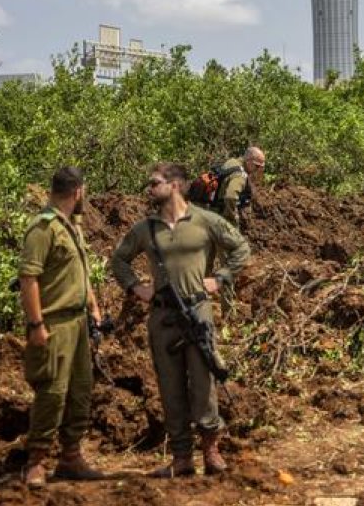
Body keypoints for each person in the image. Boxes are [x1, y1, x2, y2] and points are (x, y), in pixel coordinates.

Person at [111, 163, 251, 478]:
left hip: (197, 311)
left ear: (174, 185)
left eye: (154, 183)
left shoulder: (204, 220)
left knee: (203, 383)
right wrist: (136, 287)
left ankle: (211, 450)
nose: (149, 189)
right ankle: (181, 456)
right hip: (163, 316)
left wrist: (221, 278)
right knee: (169, 385)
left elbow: (241, 248)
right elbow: (119, 260)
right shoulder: (146, 229)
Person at [18, 166, 105, 489]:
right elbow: (29, 279)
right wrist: (36, 324)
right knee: (52, 392)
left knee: (80, 390)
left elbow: (80, 271)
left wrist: (93, 307)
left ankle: (71, 457)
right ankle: (37, 461)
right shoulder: (43, 228)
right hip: (53, 323)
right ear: (78, 191)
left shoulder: (71, 226)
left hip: (78, 322)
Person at [215, 146, 266, 229]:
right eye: (257, 166)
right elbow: (230, 196)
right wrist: (232, 218)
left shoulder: (232, 161)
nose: (257, 169)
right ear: (248, 161)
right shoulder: (241, 175)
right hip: (217, 213)